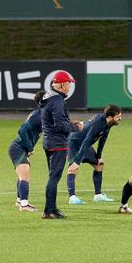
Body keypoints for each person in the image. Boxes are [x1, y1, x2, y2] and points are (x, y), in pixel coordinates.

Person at [40, 70, 84, 219]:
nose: (70, 87)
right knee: (54, 177)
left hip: (48, 141)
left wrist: (70, 123)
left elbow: (53, 121)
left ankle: (51, 208)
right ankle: (49, 211)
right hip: (57, 143)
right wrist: (76, 127)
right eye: (69, 84)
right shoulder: (58, 100)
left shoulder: (48, 97)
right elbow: (60, 126)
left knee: (53, 176)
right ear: (63, 84)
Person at [66, 104, 122, 204]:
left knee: (99, 165)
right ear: (110, 117)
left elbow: (103, 139)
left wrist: (99, 156)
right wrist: (77, 162)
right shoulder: (98, 124)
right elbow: (86, 141)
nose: (120, 119)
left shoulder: (108, 123)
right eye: (118, 117)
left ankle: (98, 195)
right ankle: (72, 197)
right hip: (74, 143)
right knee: (73, 168)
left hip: (84, 144)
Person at [7, 93, 48, 212]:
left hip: (21, 148)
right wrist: (30, 147)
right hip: (18, 148)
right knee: (24, 176)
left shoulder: (41, 114)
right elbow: (22, 130)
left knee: (23, 175)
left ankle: (20, 200)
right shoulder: (38, 115)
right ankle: (24, 205)